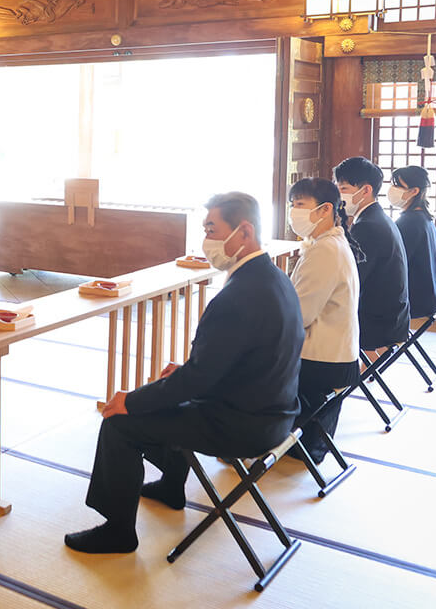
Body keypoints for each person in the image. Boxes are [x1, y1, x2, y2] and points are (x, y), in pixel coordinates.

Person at [64, 192, 303, 555]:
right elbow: (240, 362)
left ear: (244, 232)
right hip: (276, 413)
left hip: (242, 425)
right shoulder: (275, 279)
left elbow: (196, 381)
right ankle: (172, 486)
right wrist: (187, 375)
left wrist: (131, 400)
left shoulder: (238, 295)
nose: (206, 240)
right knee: (172, 393)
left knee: (120, 422)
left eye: (212, 228)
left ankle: (118, 532)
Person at [286, 178, 362, 463]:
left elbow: (300, 315)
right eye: (293, 205)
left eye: (301, 205)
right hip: (338, 357)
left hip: (323, 362)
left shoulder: (325, 250)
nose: (294, 212)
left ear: (325, 210)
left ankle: (247, 439)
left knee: (250, 361)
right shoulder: (330, 243)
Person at [334, 156, 410, 352]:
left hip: (379, 321)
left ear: (366, 190)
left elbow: (353, 280)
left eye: (343, 189)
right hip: (394, 314)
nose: (338, 195)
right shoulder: (376, 217)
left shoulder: (367, 226)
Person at [388, 165, 436, 319]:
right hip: (434, 298)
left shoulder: (409, 222)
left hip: (417, 301)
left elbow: (395, 264)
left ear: (414, 191)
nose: (392, 189)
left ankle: (383, 342)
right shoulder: (424, 218)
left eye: (398, 185)